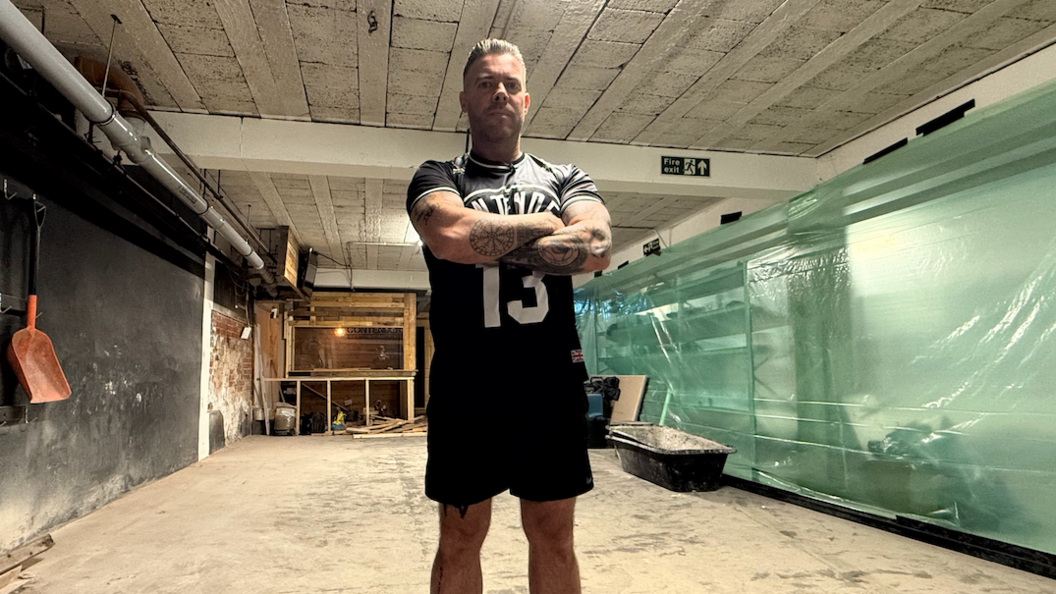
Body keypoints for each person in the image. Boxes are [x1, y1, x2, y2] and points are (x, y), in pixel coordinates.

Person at [406, 39, 612, 594]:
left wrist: (489, 239)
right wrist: (548, 228)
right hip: (467, 385)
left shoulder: (566, 177)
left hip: (548, 383)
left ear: (526, 101)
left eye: (511, 84)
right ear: (464, 101)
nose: (499, 91)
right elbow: (450, 236)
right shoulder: (436, 175)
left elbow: (595, 246)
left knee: (554, 534)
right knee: (460, 534)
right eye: (485, 83)